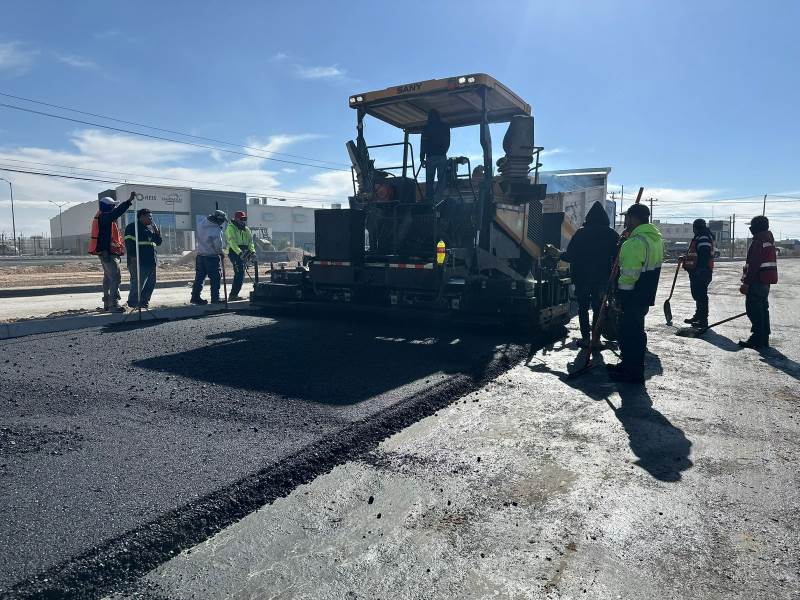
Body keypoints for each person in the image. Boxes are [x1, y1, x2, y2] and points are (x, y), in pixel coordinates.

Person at [607, 203, 663, 384]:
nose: (625, 221)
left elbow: (629, 274)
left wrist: (621, 298)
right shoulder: (655, 240)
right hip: (646, 294)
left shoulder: (635, 243)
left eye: (627, 218)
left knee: (628, 333)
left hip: (632, 296)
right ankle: (630, 366)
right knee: (636, 333)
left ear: (633, 218)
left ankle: (632, 373)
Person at [559, 201, 620, 347]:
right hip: (602, 279)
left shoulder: (581, 233)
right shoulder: (612, 234)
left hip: (582, 279)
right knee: (599, 309)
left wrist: (559, 254)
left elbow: (571, 256)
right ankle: (596, 339)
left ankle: (586, 338)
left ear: (588, 218)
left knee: (583, 308)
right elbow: (618, 259)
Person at [89, 192, 135, 312]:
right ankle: (113, 304)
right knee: (115, 277)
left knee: (108, 279)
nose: (114, 208)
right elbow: (117, 212)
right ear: (107, 207)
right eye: (112, 206)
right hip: (108, 254)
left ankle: (107, 304)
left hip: (107, 253)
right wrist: (128, 201)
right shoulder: (105, 217)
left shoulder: (104, 218)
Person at [738, 215, 778, 349]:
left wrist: (746, 283)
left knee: (753, 310)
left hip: (757, 281)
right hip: (765, 282)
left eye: (752, 226)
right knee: (762, 310)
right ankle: (763, 338)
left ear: (756, 227)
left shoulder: (759, 241)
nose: (750, 228)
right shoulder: (769, 240)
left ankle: (757, 339)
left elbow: (754, 264)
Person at [124, 208, 163, 309]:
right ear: (141, 217)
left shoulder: (149, 229)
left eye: (152, 217)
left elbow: (158, 242)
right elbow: (128, 241)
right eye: (149, 216)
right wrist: (133, 256)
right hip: (138, 260)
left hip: (151, 261)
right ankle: (132, 303)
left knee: (151, 283)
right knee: (137, 282)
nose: (151, 218)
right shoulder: (133, 227)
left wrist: (156, 230)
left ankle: (144, 301)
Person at [682, 218, 715, 328]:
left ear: (696, 228)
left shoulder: (704, 237)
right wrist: (685, 258)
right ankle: (698, 316)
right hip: (697, 271)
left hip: (701, 271)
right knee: (697, 295)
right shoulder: (700, 236)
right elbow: (695, 253)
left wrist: (699, 270)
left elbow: (704, 255)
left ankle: (703, 320)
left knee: (701, 296)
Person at [191, 210, 227, 305]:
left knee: (199, 278)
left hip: (200, 255)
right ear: (219, 220)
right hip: (211, 257)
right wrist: (221, 253)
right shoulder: (216, 229)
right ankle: (215, 298)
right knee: (215, 278)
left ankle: (195, 297)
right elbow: (217, 246)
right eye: (222, 221)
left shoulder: (201, 223)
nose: (222, 223)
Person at [224, 211, 256, 301]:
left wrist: (252, 252)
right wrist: (240, 253)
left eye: (244, 219)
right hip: (234, 252)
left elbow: (250, 242)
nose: (243, 220)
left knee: (241, 274)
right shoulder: (231, 228)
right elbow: (232, 243)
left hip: (244, 251)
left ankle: (234, 294)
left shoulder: (246, 229)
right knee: (239, 273)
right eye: (241, 219)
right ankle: (233, 295)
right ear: (236, 218)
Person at [420, 109, 450, 202]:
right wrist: (443, 151)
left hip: (431, 156)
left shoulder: (426, 128)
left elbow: (423, 143)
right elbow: (448, 142)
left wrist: (422, 157)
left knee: (430, 180)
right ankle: (439, 200)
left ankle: (429, 199)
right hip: (441, 156)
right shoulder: (445, 126)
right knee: (441, 180)